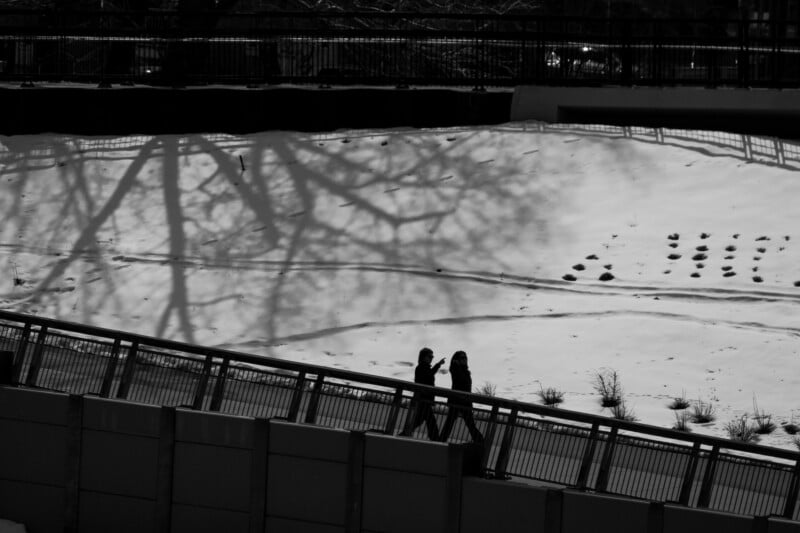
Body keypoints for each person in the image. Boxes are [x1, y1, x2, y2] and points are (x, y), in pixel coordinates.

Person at [400, 347, 445, 440]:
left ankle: (405, 433)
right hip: (423, 399)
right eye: (429, 356)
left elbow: (429, 374)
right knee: (429, 420)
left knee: (420, 420)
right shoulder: (422, 367)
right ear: (423, 357)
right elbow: (429, 375)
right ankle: (435, 438)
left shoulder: (423, 367)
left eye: (432, 356)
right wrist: (438, 365)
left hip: (423, 399)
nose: (431, 358)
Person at [440, 350, 484, 443]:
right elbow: (461, 380)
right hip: (457, 400)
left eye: (465, 358)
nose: (464, 360)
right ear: (457, 360)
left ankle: (480, 441)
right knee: (451, 422)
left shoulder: (465, 370)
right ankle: (440, 441)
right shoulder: (456, 369)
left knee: (468, 424)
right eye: (462, 358)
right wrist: (456, 365)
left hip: (465, 401)